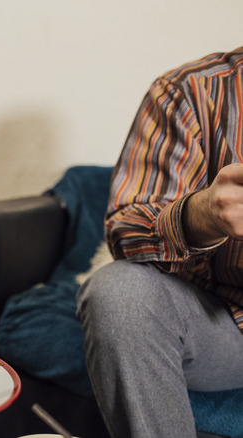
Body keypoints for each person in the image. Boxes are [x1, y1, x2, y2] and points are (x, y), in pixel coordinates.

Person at [77, 46, 243, 437]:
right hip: (224, 325)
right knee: (119, 292)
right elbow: (124, 230)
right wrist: (203, 213)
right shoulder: (187, 91)